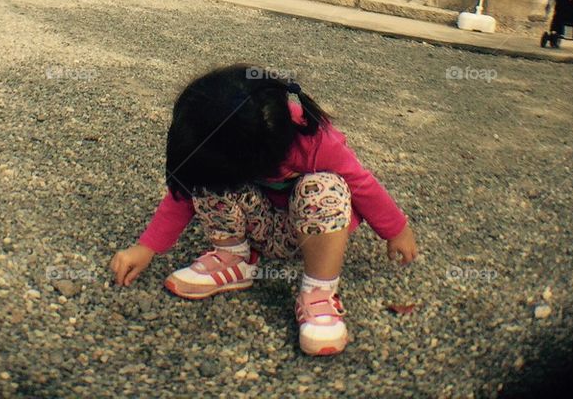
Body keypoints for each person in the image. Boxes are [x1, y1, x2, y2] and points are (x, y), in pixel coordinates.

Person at [109, 65, 418, 357]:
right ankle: (234, 257)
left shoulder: (313, 140)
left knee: (325, 187)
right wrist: (146, 247)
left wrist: (396, 230)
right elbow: (185, 191)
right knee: (203, 176)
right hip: (254, 224)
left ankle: (319, 291)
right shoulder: (220, 143)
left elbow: (360, 182)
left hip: (302, 233)